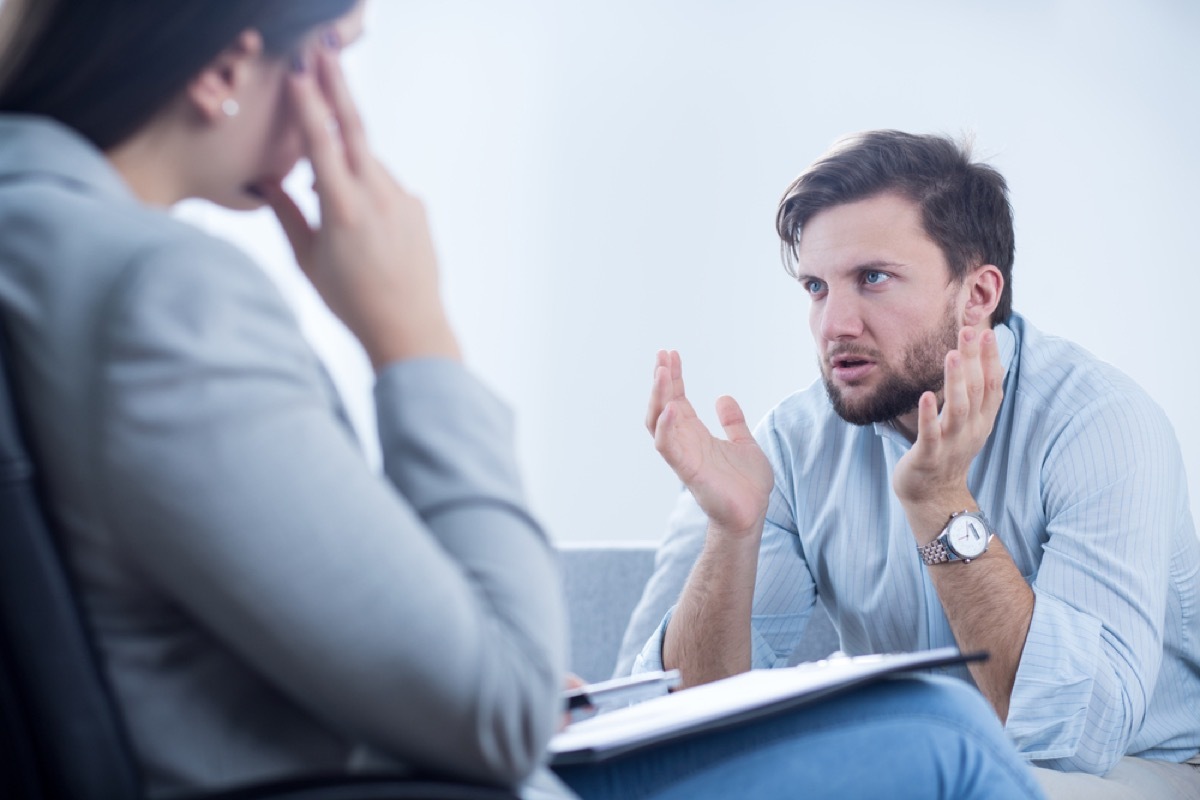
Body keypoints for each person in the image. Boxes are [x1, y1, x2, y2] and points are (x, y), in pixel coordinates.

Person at [0, 3, 1047, 798]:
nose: (832, 324)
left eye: (871, 281)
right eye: (338, 49)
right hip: (388, 773)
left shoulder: (39, 240)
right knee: (942, 733)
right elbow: (503, 706)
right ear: (229, 63)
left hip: (347, 739)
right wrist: (415, 336)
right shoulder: (162, 295)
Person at [626, 129, 1200, 799]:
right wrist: (732, 532)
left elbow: (1077, 736)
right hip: (910, 770)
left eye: (873, 279)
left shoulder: (1099, 425)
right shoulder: (793, 442)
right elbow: (691, 726)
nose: (834, 324)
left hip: (1133, 771)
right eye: (816, 286)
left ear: (979, 294)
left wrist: (940, 504)